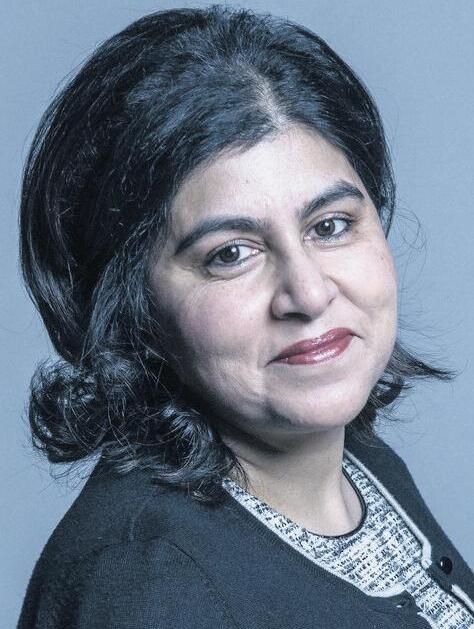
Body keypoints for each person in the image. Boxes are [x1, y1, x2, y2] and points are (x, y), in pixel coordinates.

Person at [17, 5, 474, 628]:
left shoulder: (365, 468)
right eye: (231, 254)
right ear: (129, 308)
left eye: (330, 225)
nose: (308, 294)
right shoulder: (147, 581)